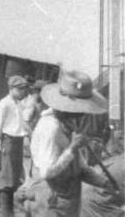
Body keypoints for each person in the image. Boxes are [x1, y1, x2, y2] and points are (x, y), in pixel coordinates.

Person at [27, 70, 112, 216]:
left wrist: (104, 183)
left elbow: (79, 167)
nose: (84, 112)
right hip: (50, 200)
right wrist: (72, 148)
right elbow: (47, 172)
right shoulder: (51, 128)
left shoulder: (67, 125)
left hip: (67, 199)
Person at [0, 75, 30, 217]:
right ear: (11, 88)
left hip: (18, 142)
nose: (22, 92)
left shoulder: (19, 104)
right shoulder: (4, 104)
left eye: (24, 89)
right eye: (19, 89)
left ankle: (10, 212)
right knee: (6, 180)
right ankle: (6, 213)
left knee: (14, 179)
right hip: (8, 141)